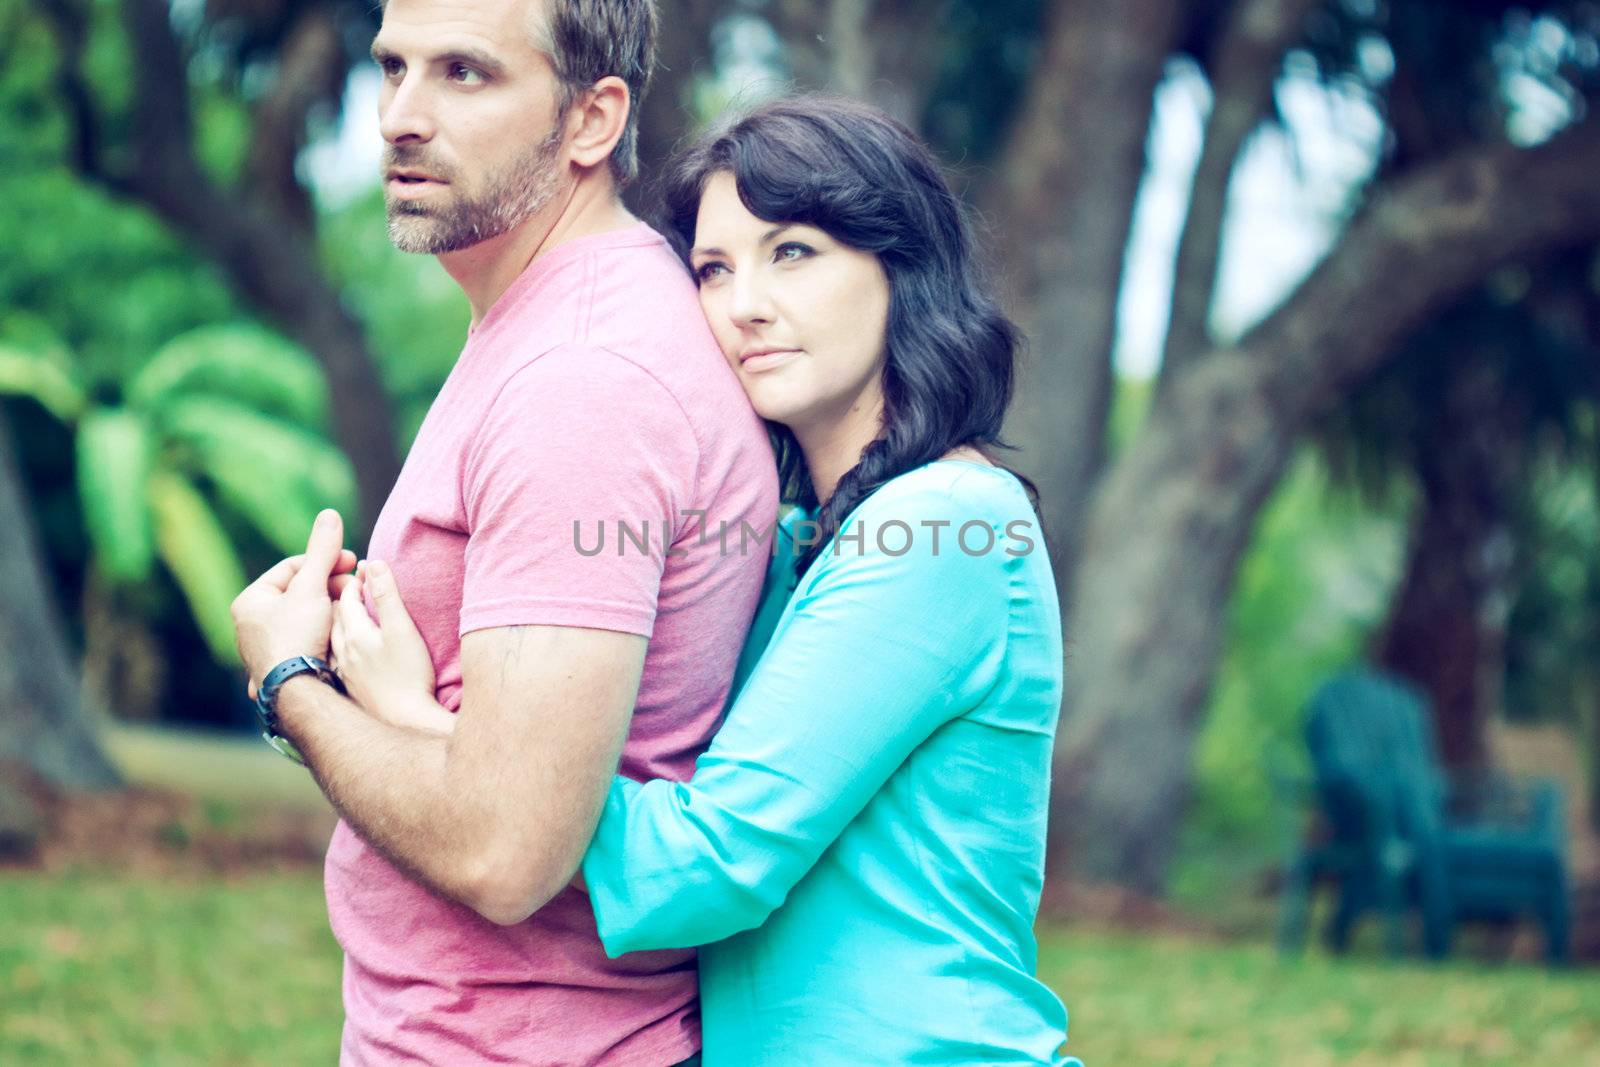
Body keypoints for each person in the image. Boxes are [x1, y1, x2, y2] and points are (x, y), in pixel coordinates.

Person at [332, 95, 1082, 1065]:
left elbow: (703, 862)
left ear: (902, 266)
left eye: (794, 252)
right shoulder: (805, 537)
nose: (744, 304)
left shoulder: (942, 523)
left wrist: (421, 725)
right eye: (714, 268)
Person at [227, 0, 776, 1063]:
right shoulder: (542, 321)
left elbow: (506, 845)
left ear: (591, 120)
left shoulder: (583, 379)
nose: (398, 116)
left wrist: (289, 682)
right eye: (393, 67)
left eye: (464, 74)